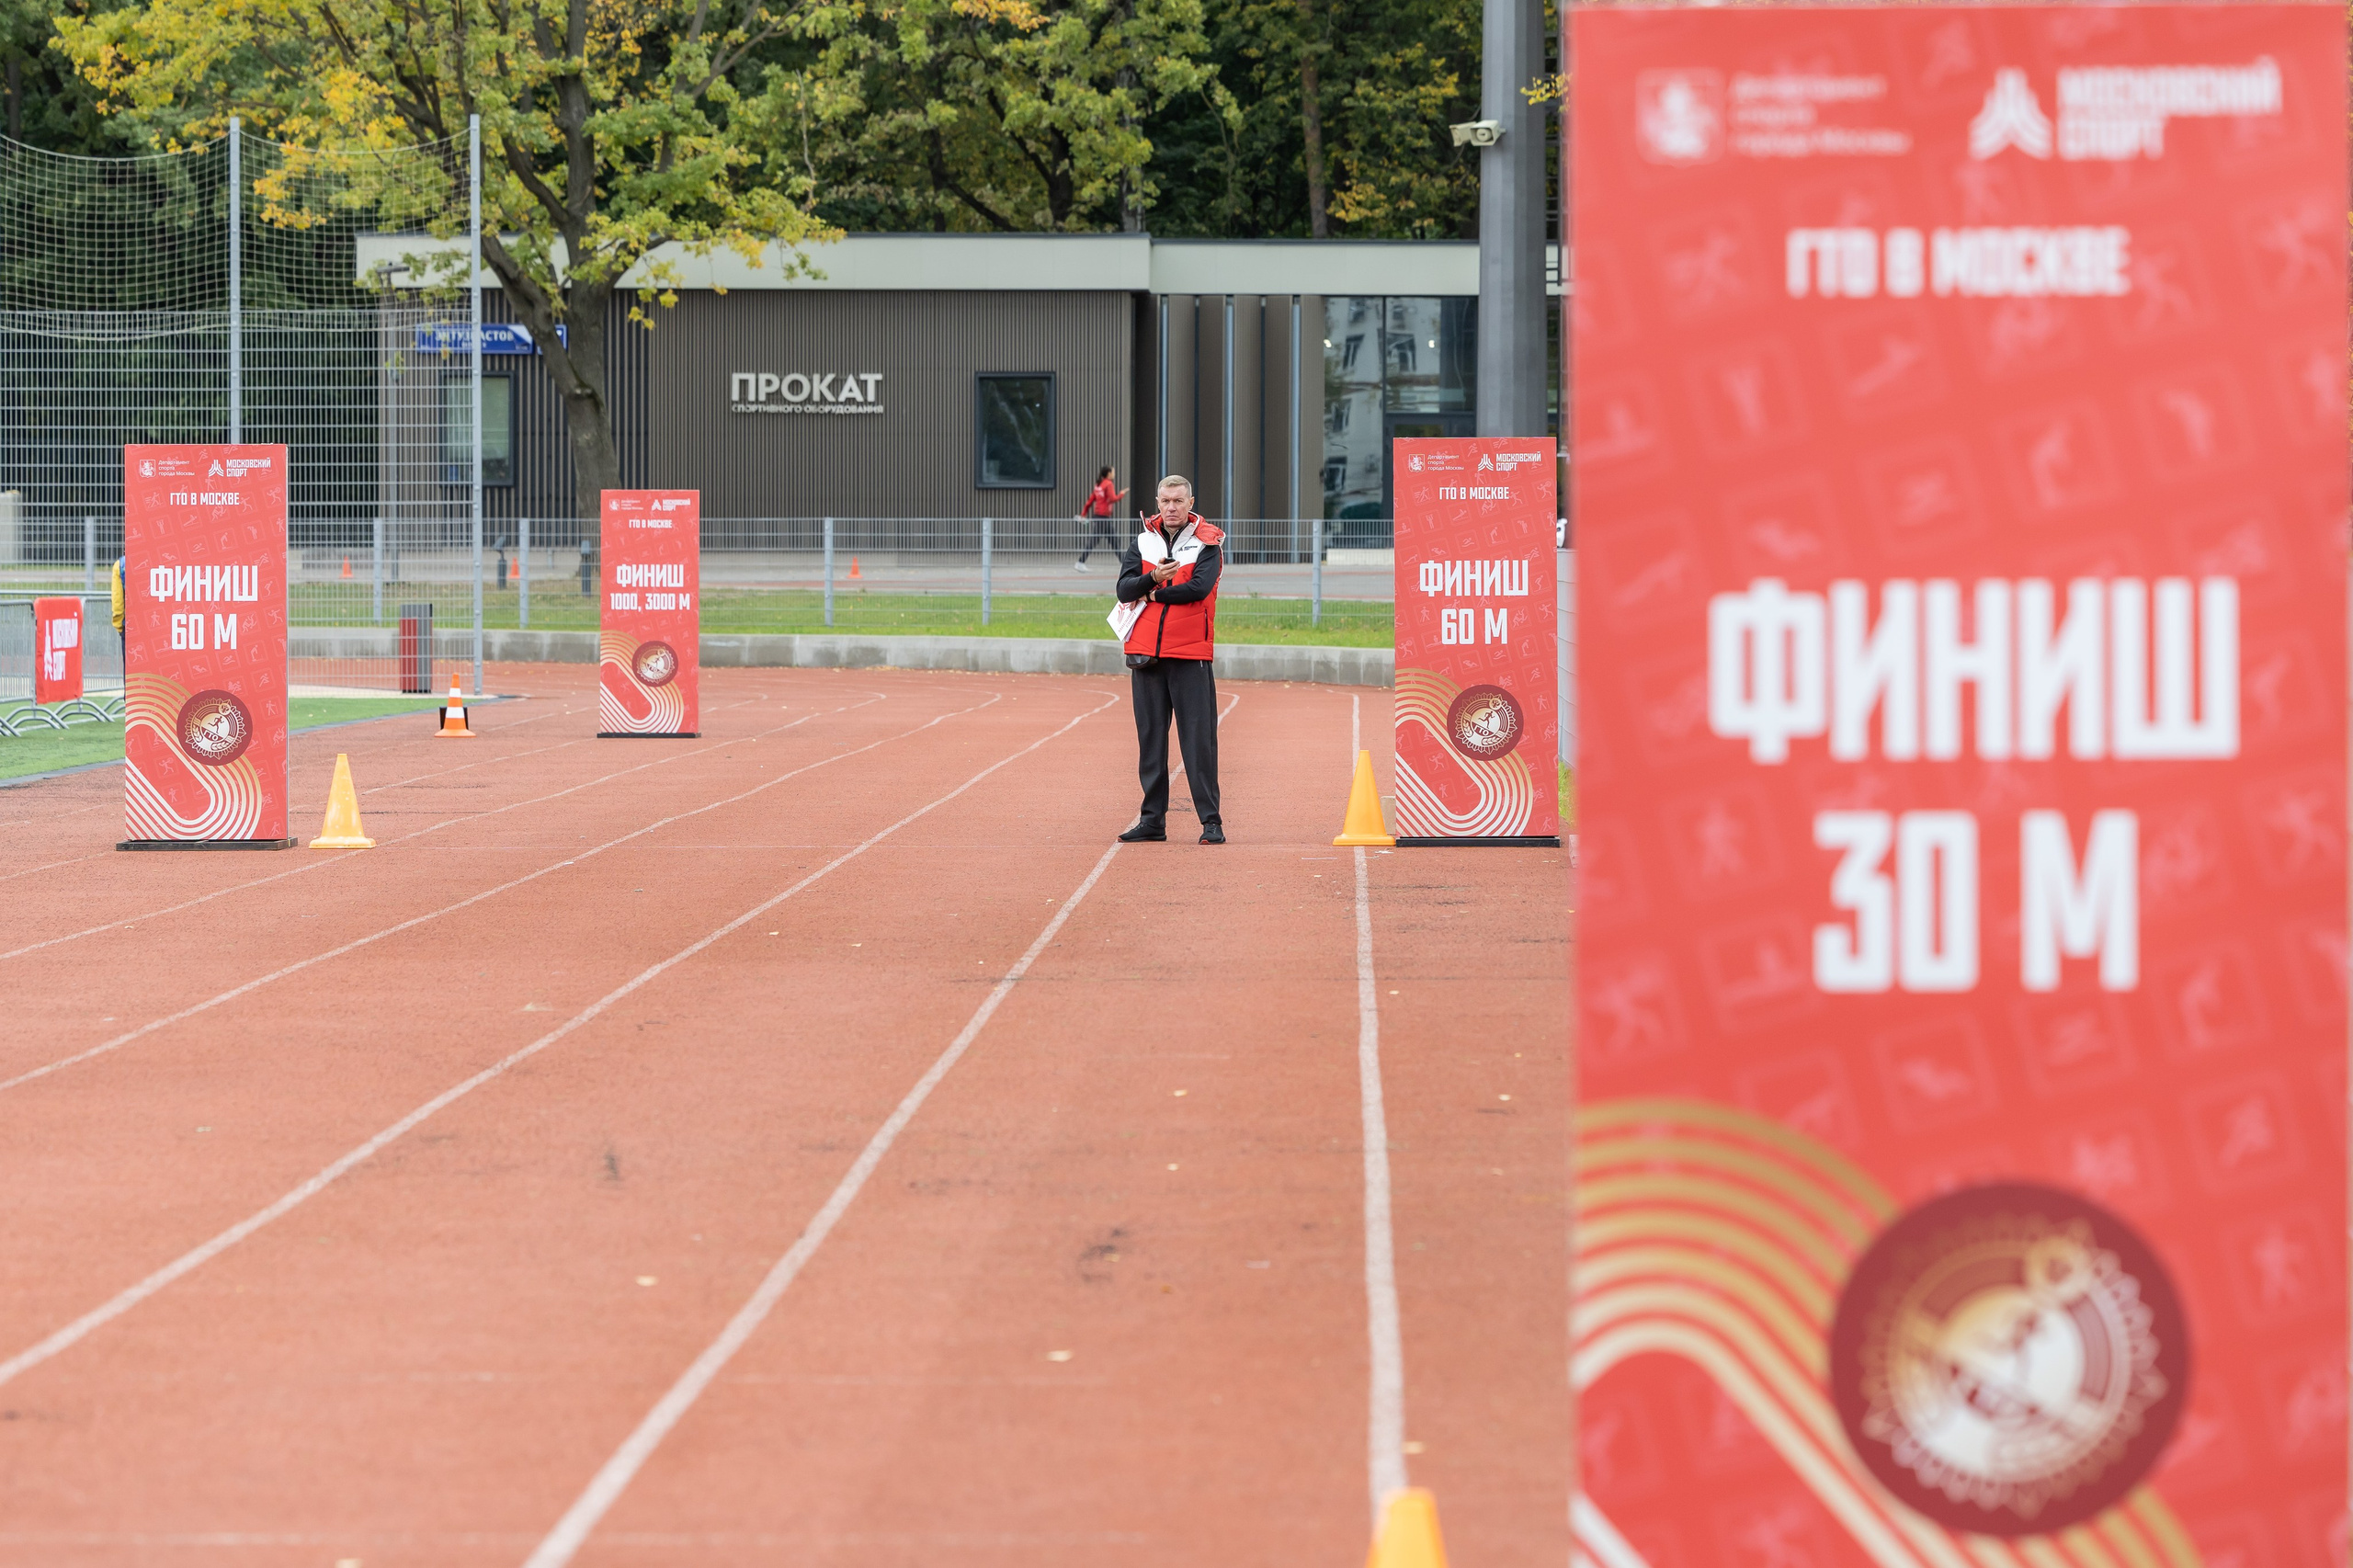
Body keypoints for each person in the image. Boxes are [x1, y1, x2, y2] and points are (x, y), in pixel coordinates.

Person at [1113, 474, 1223, 844]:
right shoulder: (1142, 540)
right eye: (1165, 501)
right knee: (1150, 742)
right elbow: (1124, 588)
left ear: (1191, 502)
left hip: (1189, 654)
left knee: (1198, 742)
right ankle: (1152, 821)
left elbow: (1198, 589)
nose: (1172, 507)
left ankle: (1211, 822)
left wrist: (1154, 594)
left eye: (1178, 501)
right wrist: (1153, 579)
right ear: (1157, 502)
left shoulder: (1209, 542)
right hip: (1145, 655)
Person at [1074, 465, 1128, 572]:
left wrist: (1083, 514)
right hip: (1104, 517)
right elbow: (1113, 499)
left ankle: (1124, 564)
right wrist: (1121, 494)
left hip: (1099, 516)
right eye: (1113, 472)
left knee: (1114, 540)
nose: (1114, 474)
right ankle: (1080, 562)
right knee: (1096, 540)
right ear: (1108, 473)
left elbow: (1089, 501)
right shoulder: (1108, 484)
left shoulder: (1099, 485)